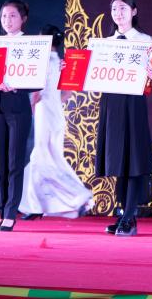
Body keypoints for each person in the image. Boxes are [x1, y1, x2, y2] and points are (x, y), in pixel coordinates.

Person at [95, 0, 152, 237]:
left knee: (133, 158)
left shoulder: (145, 41)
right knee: (118, 160)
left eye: (123, 8)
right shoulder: (104, 43)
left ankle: (130, 216)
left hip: (133, 102)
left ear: (134, 11)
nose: (118, 13)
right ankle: (123, 214)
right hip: (111, 103)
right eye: (114, 9)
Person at [18, 24, 93, 221]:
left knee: (44, 159)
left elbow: (36, 92)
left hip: (44, 112)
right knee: (42, 158)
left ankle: (79, 195)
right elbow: (67, 93)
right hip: (56, 114)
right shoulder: (61, 63)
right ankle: (37, 206)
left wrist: (32, 107)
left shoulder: (43, 62)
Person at [0, 0, 40, 232]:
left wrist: (18, 85)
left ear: (23, 19)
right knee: (1, 162)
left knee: (15, 161)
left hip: (18, 107)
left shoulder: (32, 44)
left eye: (13, 15)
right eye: (4, 16)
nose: (7, 20)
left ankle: (10, 213)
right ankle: (1, 211)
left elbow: (37, 80)